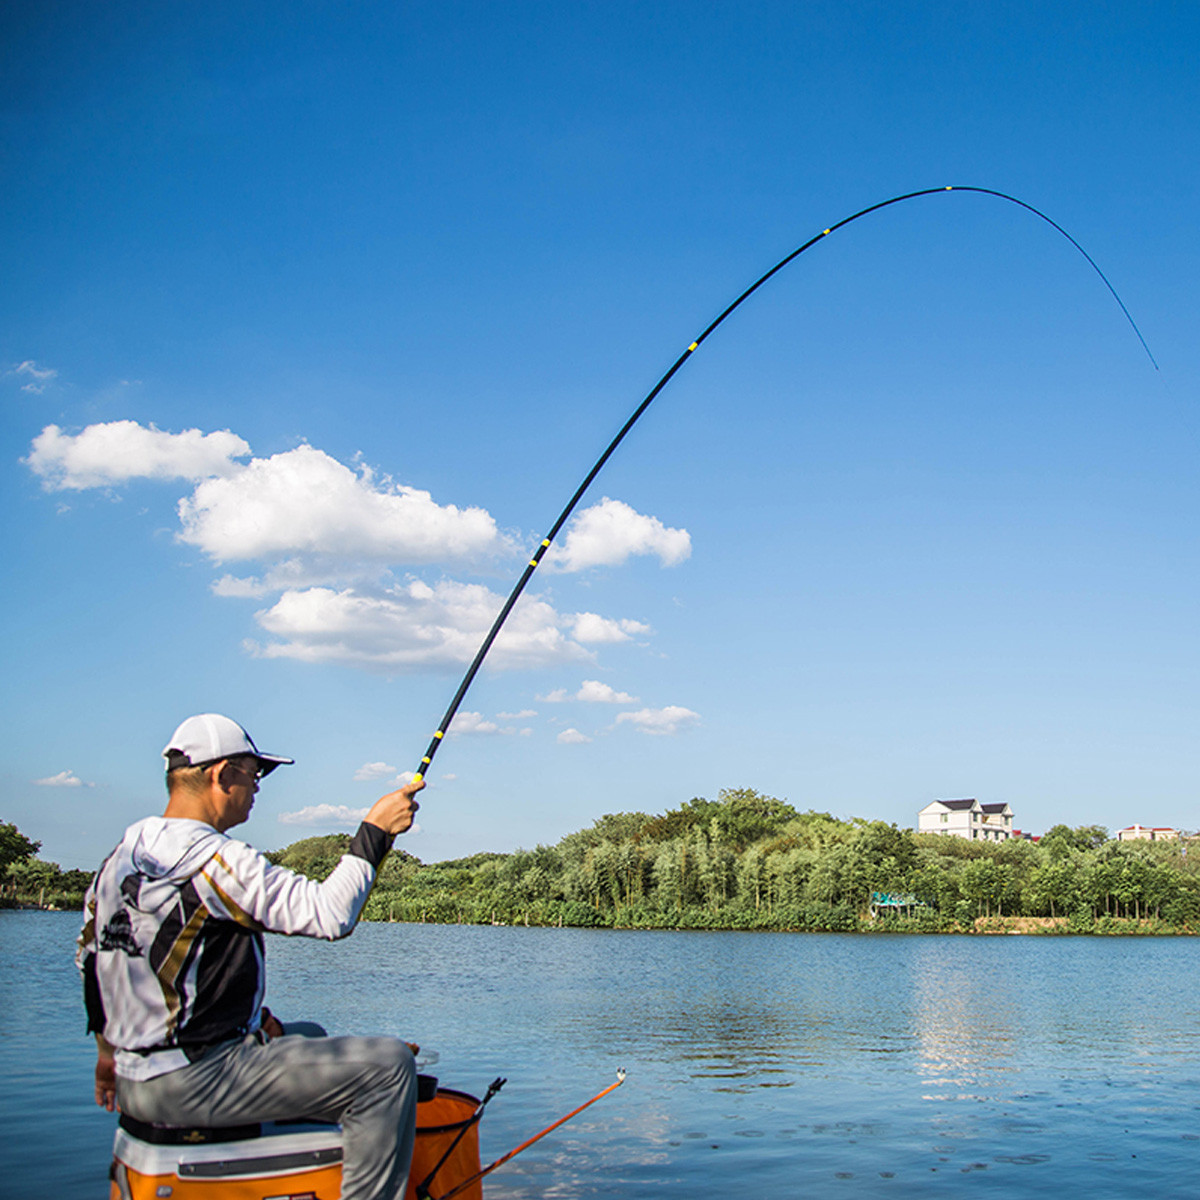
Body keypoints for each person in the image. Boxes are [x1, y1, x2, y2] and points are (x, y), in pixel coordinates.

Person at [77, 712, 425, 1200]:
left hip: (137, 1075)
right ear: (220, 775)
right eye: (253, 772)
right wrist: (374, 831)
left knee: (310, 1034)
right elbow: (330, 915)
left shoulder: (121, 857)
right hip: (192, 1081)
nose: (258, 786)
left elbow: (94, 958)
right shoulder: (214, 860)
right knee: (388, 1066)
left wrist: (107, 1054)